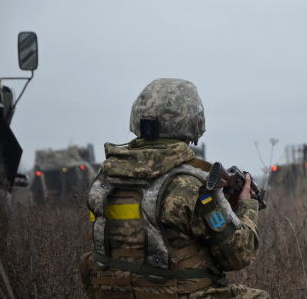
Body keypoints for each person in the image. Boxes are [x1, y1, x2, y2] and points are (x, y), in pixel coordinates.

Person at [79, 78, 269, 299]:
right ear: (192, 121)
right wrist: (246, 206)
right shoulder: (192, 186)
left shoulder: (105, 178)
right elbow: (238, 256)